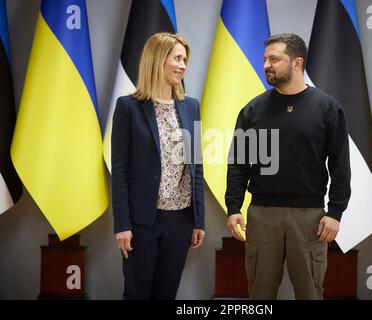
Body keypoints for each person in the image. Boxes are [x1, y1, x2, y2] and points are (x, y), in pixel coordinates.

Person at [225, 33, 351, 300]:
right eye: (264, 59)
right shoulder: (253, 110)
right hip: (262, 215)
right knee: (259, 293)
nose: (266, 65)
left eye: (274, 59)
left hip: (310, 218)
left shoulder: (328, 108)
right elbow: (238, 164)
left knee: (310, 293)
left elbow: (341, 164)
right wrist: (233, 207)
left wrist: (336, 212)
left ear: (296, 62)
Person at [111, 32, 205, 300]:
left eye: (185, 59)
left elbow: (196, 167)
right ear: (157, 59)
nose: (183, 66)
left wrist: (199, 220)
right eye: (177, 58)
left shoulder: (191, 106)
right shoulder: (128, 107)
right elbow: (119, 169)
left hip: (181, 220)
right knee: (137, 293)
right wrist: (122, 224)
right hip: (142, 221)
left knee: (166, 294)